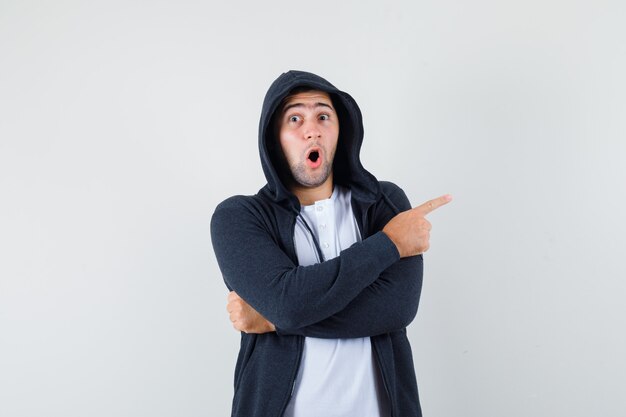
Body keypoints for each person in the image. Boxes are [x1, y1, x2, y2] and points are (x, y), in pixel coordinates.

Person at [211, 70, 451, 417]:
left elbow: (397, 308)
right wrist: (389, 243)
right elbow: (288, 303)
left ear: (342, 131)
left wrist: (274, 320)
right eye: (295, 118)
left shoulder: (383, 202)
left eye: (324, 116)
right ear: (274, 137)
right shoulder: (239, 217)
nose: (312, 129)